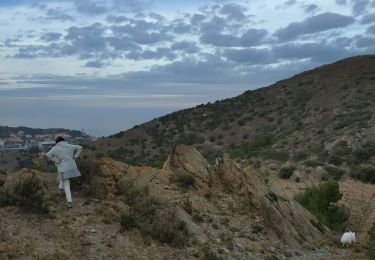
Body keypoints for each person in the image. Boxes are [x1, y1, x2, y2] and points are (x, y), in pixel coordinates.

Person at [46, 136, 82, 208]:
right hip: (72, 167)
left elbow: (47, 154)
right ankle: (60, 189)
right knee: (63, 177)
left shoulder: (55, 148)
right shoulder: (69, 145)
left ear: (57, 142)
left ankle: (69, 202)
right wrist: (76, 156)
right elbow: (80, 147)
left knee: (66, 184)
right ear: (63, 141)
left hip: (63, 168)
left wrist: (56, 160)